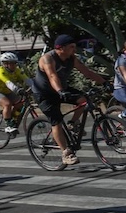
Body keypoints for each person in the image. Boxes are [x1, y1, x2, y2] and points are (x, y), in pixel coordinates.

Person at [31, 35, 107, 166]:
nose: (74, 49)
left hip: (61, 89)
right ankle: (66, 153)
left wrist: (105, 83)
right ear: (60, 48)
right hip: (44, 94)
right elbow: (52, 75)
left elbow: (87, 72)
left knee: (83, 99)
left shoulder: (72, 58)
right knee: (57, 121)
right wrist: (60, 91)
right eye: (71, 47)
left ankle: (73, 123)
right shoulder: (48, 59)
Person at [0, 52, 32, 134]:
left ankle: (12, 118)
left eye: (15, 63)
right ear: (5, 64)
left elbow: (27, 80)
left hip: (6, 91)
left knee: (20, 103)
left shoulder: (17, 70)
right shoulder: (1, 71)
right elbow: (8, 83)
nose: (14, 65)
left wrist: (36, 87)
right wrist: (17, 90)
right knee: (7, 104)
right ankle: (8, 125)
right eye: (11, 63)